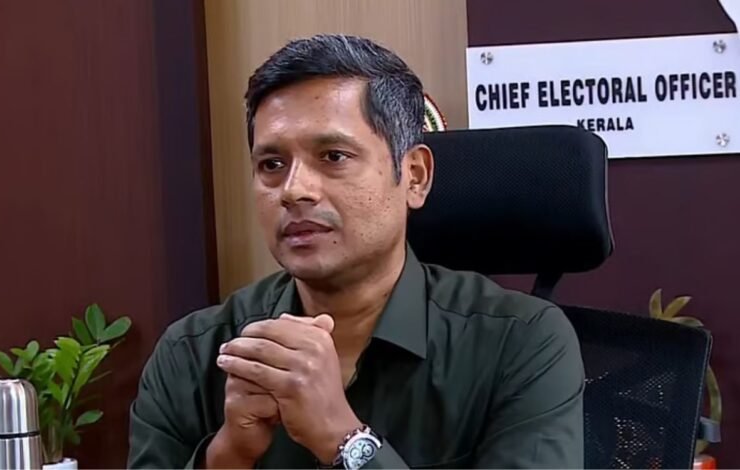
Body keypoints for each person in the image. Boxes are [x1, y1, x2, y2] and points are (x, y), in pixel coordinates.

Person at [127, 34, 584, 469]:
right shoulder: (195, 353)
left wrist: (343, 437)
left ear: (415, 176)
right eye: (272, 164)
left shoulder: (521, 342)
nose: (294, 190)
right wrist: (230, 455)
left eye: (333, 156)